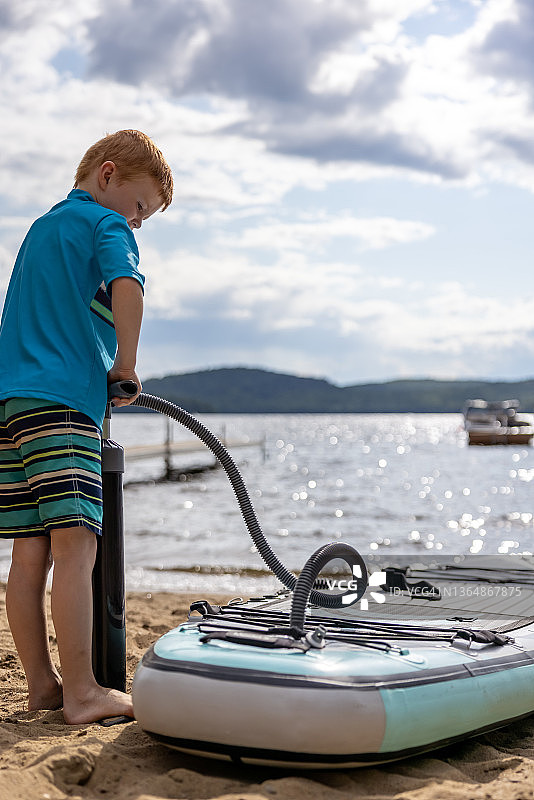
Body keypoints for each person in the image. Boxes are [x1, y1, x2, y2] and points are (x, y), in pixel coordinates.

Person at [0, 130, 173, 723]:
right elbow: (129, 286)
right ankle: (82, 692)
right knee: (78, 545)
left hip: (13, 405)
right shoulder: (106, 226)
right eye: (141, 207)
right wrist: (124, 364)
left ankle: (44, 686)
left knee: (30, 553)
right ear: (108, 175)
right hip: (64, 402)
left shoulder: (41, 230)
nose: (138, 222)